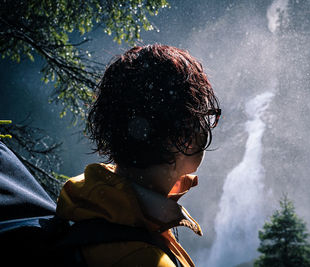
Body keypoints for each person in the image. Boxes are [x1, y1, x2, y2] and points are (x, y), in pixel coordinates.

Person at [55, 44, 221, 267]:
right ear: (182, 137)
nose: (207, 126)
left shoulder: (90, 200)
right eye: (204, 117)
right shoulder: (146, 259)